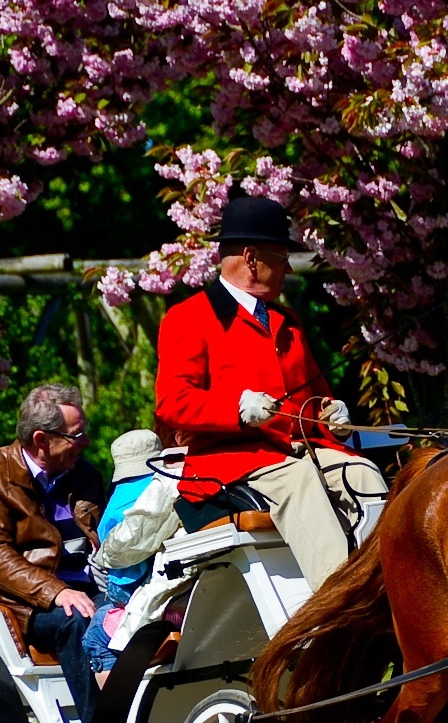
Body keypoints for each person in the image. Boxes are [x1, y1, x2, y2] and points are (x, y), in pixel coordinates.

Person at [155, 195, 388, 590]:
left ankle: (387, 593)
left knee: (364, 476)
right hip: (230, 462)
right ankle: (340, 609)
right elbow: (171, 403)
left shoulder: (287, 320)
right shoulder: (189, 317)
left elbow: (316, 398)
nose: (287, 269)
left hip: (299, 451)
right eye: (282, 257)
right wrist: (237, 410)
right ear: (250, 257)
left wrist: (333, 415)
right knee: (300, 482)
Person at [0, 384, 104, 723]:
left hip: (92, 589)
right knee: (75, 619)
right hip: (26, 605)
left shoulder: (85, 475)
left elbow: (109, 533)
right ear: (41, 440)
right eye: (76, 435)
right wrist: (57, 592)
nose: (85, 443)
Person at [83, 429, 165, 686]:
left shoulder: (119, 502)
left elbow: (110, 554)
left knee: (95, 635)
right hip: (185, 586)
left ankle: (116, 714)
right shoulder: (170, 485)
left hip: (142, 594)